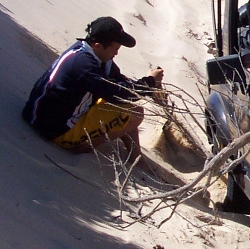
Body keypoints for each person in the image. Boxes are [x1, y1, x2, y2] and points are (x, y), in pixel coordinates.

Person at [22, 16, 165, 158]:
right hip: (56, 130)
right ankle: (83, 147)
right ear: (98, 46)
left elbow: (119, 82)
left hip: (44, 114)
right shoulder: (83, 65)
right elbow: (119, 92)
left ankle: (135, 156)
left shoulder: (90, 53)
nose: (116, 53)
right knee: (135, 113)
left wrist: (150, 88)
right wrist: (150, 82)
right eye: (115, 48)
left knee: (123, 105)